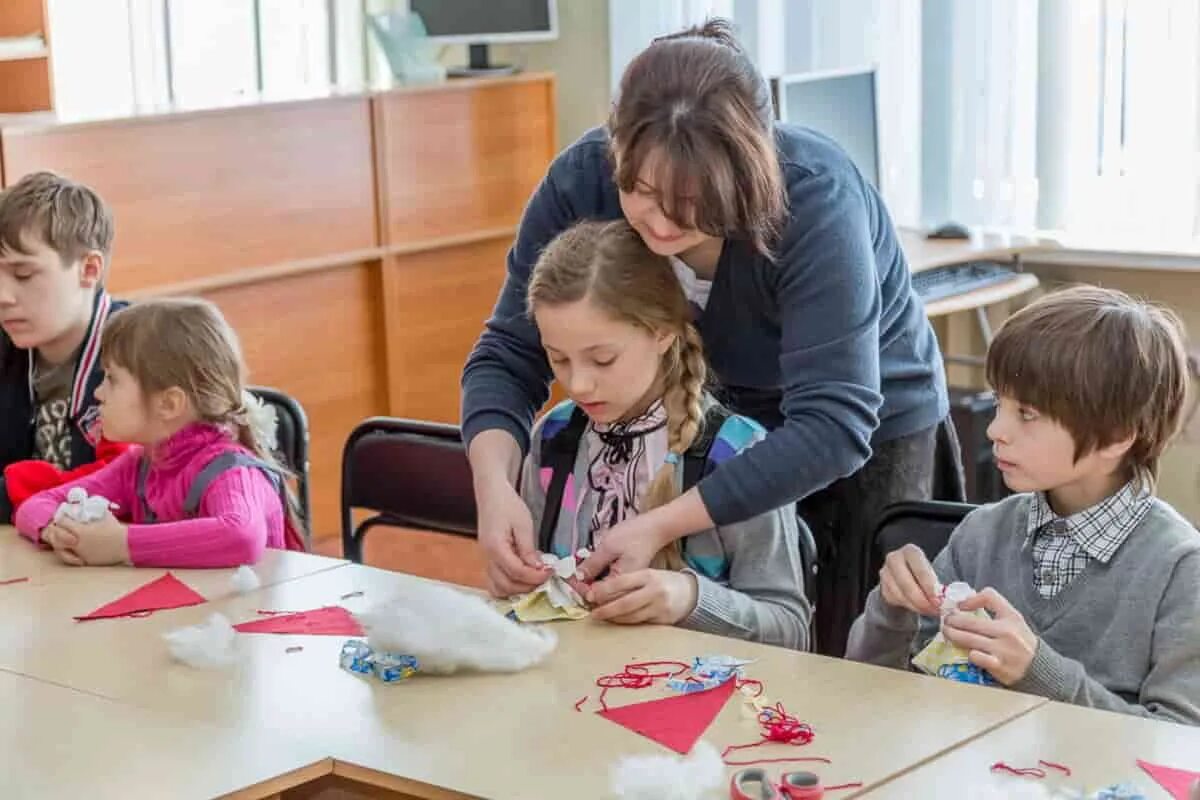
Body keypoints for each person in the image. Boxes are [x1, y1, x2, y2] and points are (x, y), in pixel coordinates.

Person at [461, 19, 955, 654]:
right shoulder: (580, 181)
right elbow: (506, 355)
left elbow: (835, 424)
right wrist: (494, 490)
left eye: (693, 201)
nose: (663, 221)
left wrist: (659, 523)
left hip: (864, 430)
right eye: (640, 191)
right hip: (707, 412)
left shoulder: (815, 197)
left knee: (846, 653)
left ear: (749, 169)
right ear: (617, 151)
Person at [847, 286, 1200, 725]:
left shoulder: (1182, 567)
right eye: (999, 403)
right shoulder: (982, 534)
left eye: (1027, 414)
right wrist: (891, 607)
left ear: (1115, 436)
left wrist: (1039, 672)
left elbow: (1182, 743)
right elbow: (870, 686)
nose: (996, 429)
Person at [521, 220, 810, 649]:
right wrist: (519, 579)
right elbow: (529, 592)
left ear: (662, 332)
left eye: (602, 359)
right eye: (558, 359)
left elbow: (790, 630)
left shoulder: (738, 454)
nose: (578, 384)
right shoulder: (556, 436)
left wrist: (690, 598)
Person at [15, 298, 307, 566]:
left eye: (112, 379)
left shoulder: (231, 472)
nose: (99, 393)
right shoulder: (140, 464)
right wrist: (55, 530)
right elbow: (36, 504)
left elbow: (241, 535)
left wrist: (120, 544)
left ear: (169, 404)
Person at [0, 172, 131, 523]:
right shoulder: (6, 345)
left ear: (88, 269)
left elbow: (125, 486)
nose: (2, 296)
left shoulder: (144, 352)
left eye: (23, 275)